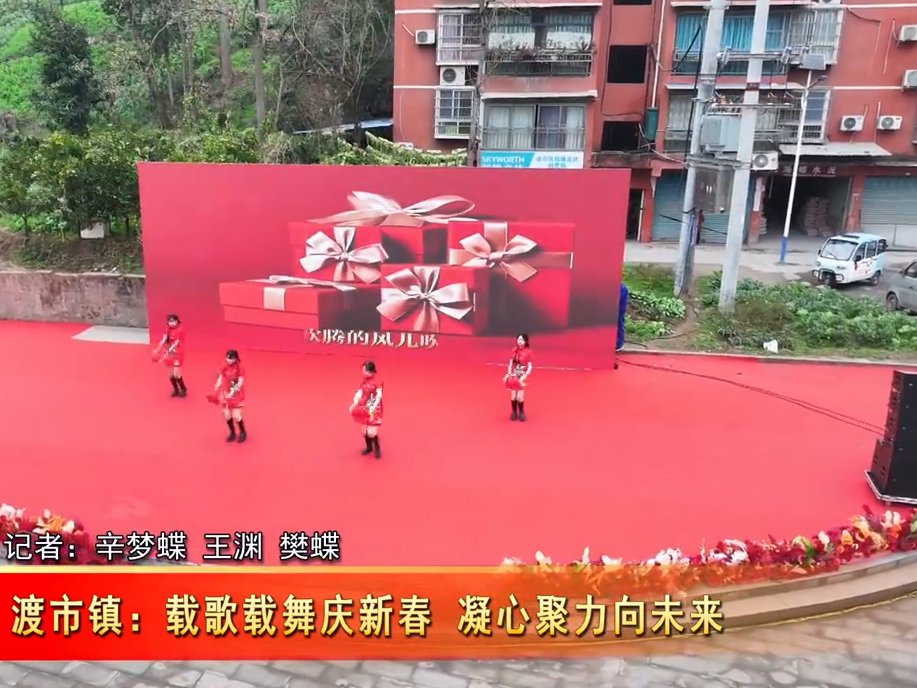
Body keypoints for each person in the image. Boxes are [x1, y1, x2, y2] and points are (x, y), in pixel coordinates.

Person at [208, 350, 247, 443]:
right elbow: (221, 377)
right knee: (226, 415)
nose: (229, 360)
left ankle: (243, 432)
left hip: (236, 394)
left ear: (236, 358)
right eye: (227, 358)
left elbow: (240, 381)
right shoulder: (224, 366)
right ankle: (232, 432)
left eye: (231, 358)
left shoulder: (239, 368)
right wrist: (216, 387)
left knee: (236, 415)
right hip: (226, 393)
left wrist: (233, 391)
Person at [350, 361, 383, 459]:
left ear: (371, 372)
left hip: (373, 408)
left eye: (365, 370)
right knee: (364, 431)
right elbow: (359, 392)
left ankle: (377, 446)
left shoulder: (377, 382)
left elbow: (379, 396)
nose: (363, 372)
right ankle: (369, 447)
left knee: (371, 432)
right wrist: (355, 402)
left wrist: (373, 406)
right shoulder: (364, 381)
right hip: (364, 407)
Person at [153, 314, 187, 397]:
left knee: (176, 372)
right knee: (170, 373)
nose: (172, 323)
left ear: (177, 321)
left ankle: (183, 389)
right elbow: (164, 339)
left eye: (173, 321)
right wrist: (157, 349)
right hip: (169, 353)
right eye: (170, 321)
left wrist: (171, 348)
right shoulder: (168, 329)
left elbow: (177, 342)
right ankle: (176, 389)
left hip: (178, 353)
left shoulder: (180, 330)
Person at [504, 334, 532, 422]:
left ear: (525, 341)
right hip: (513, 374)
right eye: (518, 339)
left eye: (522, 340)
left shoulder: (528, 352)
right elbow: (510, 364)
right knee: (513, 397)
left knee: (520, 397)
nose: (520, 342)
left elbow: (530, 366)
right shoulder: (513, 350)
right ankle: (514, 411)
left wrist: (525, 375)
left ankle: (521, 412)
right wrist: (508, 374)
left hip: (522, 375)